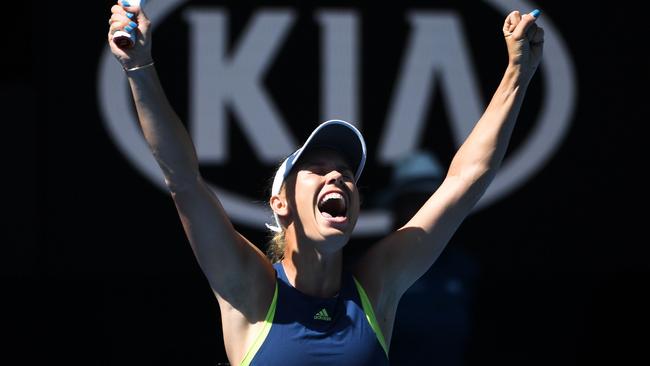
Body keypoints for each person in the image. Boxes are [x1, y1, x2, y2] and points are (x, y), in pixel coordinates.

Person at [107, 1, 544, 365]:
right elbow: (183, 179)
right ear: (280, 203)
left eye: (348, 173)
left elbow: (464, 180)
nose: (338, 175)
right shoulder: (250, 287)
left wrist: (517, 76)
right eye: (316, 168)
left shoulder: (376, 288)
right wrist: (139, 68)